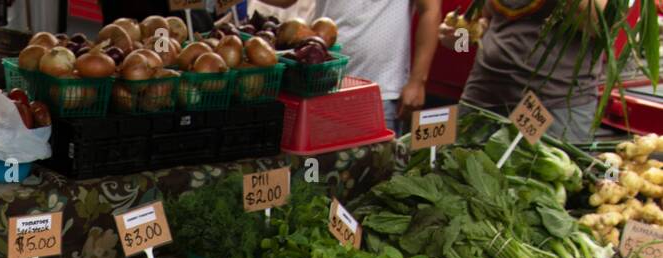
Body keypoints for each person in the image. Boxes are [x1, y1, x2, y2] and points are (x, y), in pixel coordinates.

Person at [254, 1, 443, 133]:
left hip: (380, 91)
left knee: (376, 179)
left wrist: (418, 81)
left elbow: (430, 10)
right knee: (320, 177)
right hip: (323, 85)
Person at [442, 0, 610, 142]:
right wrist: (460, 39)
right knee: (450, 173)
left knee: (538, 176)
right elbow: (487, 20)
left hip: (549, 105)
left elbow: (599, 23)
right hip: (482, 95)